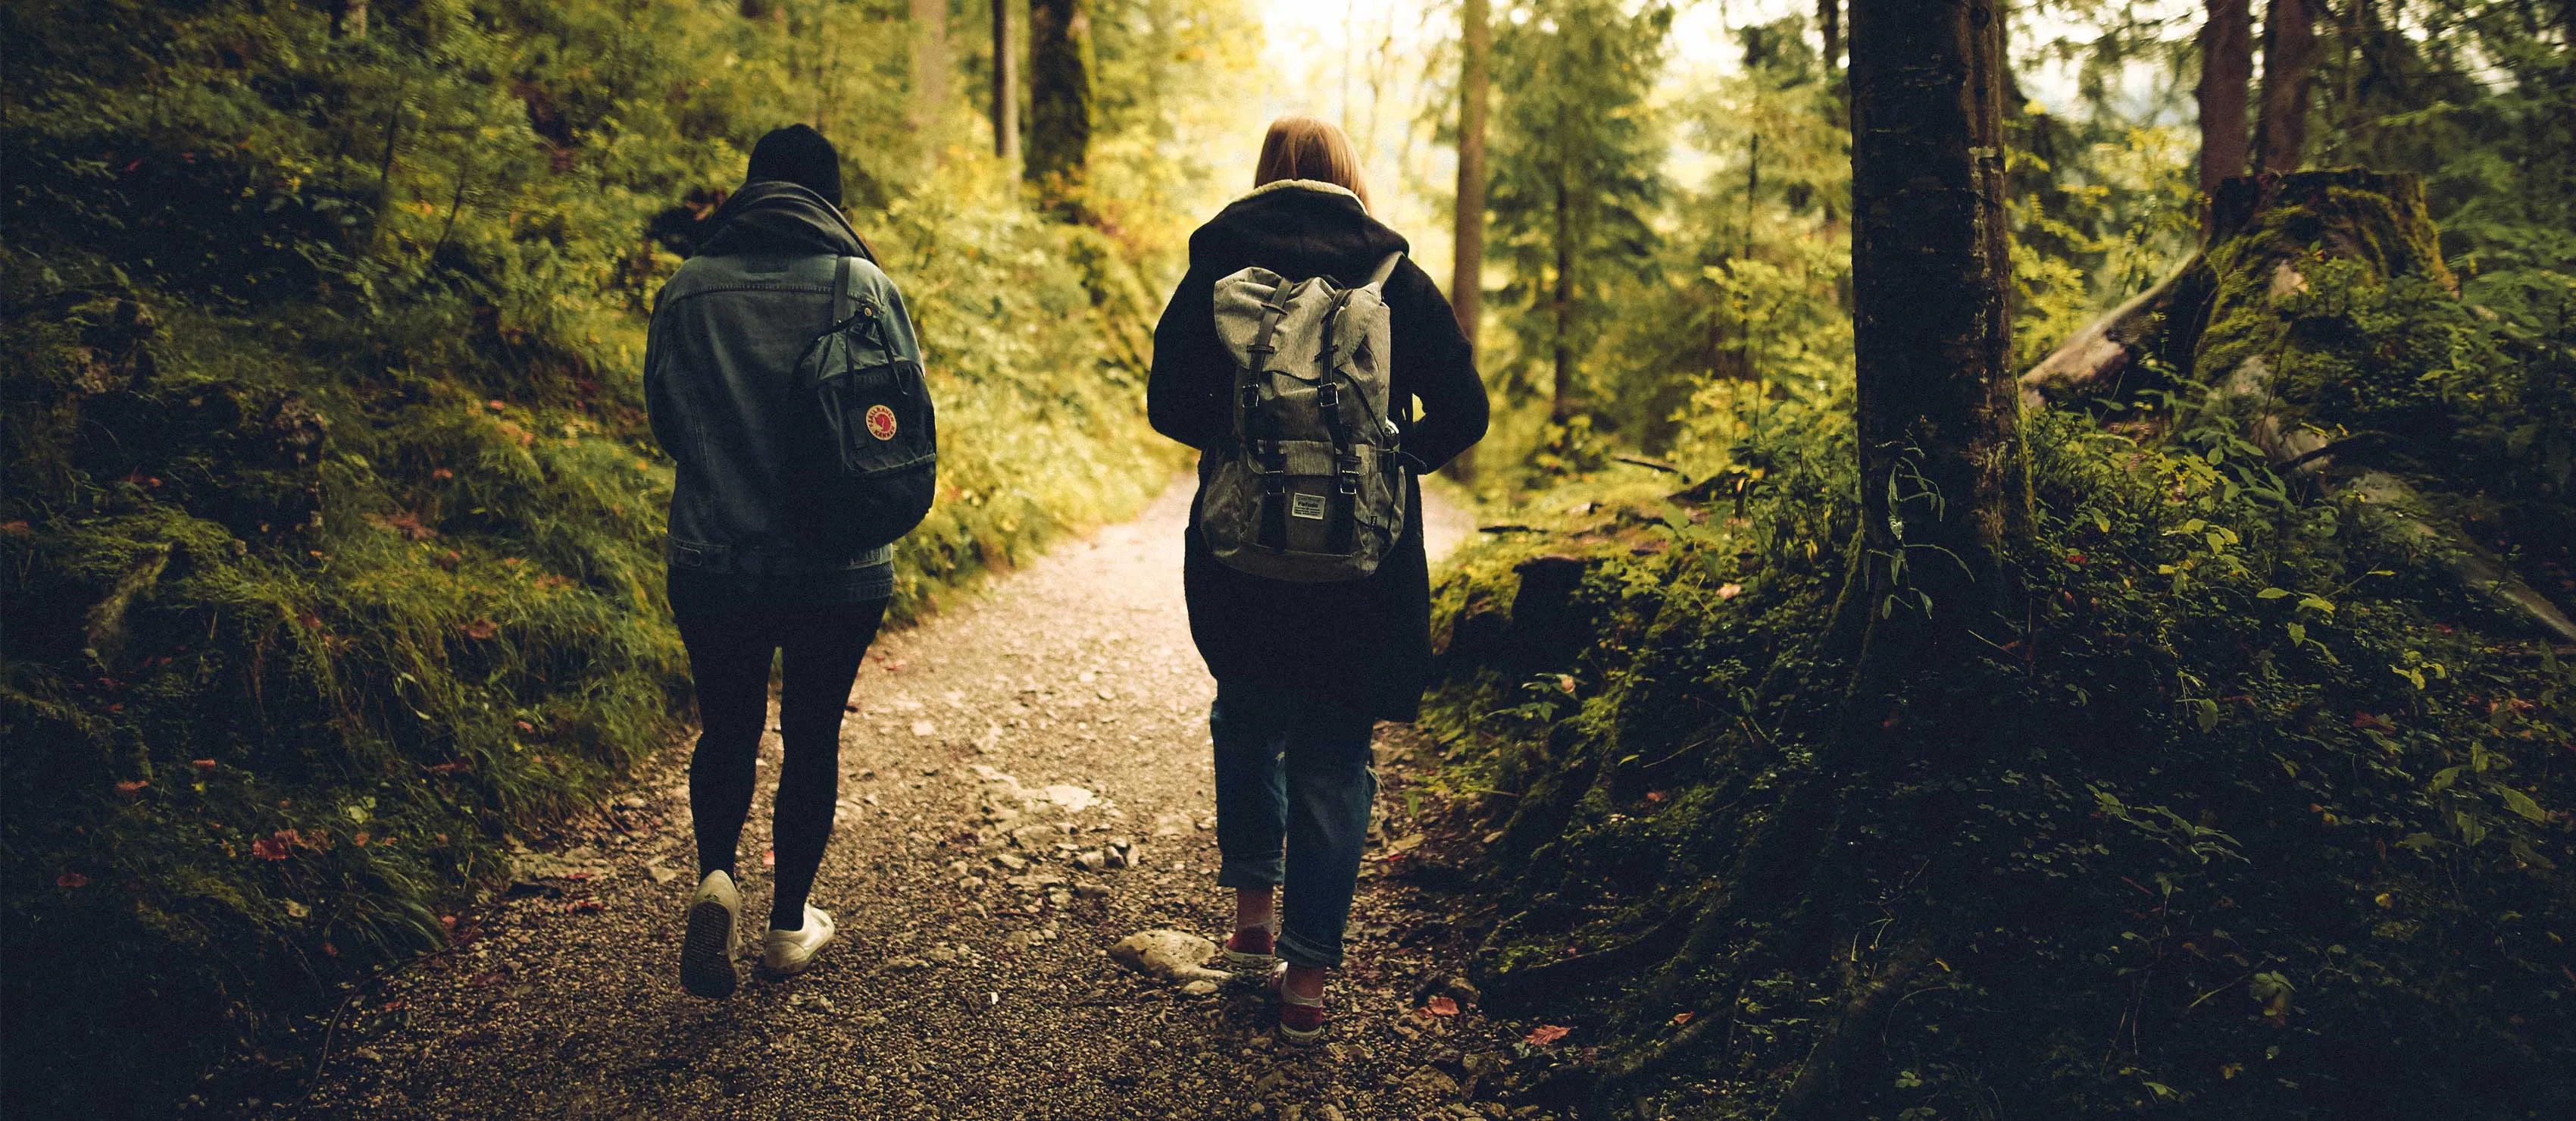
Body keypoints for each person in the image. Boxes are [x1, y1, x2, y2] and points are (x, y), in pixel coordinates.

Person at [1146, 116, 1490, 1042]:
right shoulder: (1394, 277)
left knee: (1245, 715)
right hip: (1361, 568)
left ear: (1265, 176)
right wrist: (1391, 461)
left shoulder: (1215, 273)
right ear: (1349, 179)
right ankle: (1305, 987)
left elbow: (1166, 404)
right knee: (1335, 755)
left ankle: (1251, 923)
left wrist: (1244, 445)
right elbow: (1466, 411)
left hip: (1242, 558)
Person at [643, 124, 926, 999]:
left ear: (752, 188)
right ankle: (787, 925)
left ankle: (716, 877)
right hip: (838, 565)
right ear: (830, 199)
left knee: (727, 726)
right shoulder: (863, 286)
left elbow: (664, 419)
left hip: (713, 556)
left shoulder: (687, 287)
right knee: (811, 735)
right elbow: (904, 422)